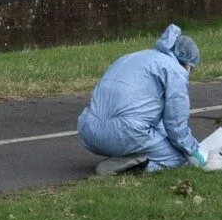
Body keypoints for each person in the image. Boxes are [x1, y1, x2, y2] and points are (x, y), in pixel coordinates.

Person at [77, 24, 207, 175]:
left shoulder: (133, 57)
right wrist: (194, 150)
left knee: (153, 136)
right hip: (124, 134)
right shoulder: (174, 70)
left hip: (89, 131)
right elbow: (176, 126)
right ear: (187, 64)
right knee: (179, 159)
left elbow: (148, 114)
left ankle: (124, 155)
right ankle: (127, 168)